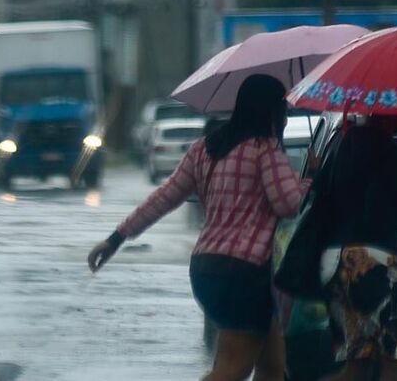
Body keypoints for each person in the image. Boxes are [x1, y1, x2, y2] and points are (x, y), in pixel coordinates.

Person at [87, 74, 307, 381]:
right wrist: (306, 181)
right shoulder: (266, 149)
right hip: (244, 273)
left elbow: (164, 198)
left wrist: (116, 238)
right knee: (234, 369)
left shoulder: (205, 148)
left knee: (271, 366)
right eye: (283, 107)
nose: (286, 114)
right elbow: (288, 204)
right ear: (271, 110)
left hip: (206, 268)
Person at [318, 114, 397, 381]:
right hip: (371, 263)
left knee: (356, 364)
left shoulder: (346, 141)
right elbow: (379, 216)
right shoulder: (383, 148)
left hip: (337, 259)